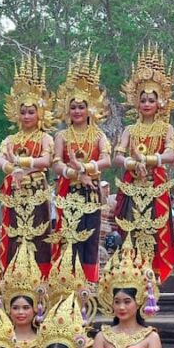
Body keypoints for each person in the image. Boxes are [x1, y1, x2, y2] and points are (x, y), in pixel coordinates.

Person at [113, 43, 174, 281]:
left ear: (160, 102)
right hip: (133, 184)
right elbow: (117, 157)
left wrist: (148, 160)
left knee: (156, 226)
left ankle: (158, 270)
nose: (147, 103)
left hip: (155, 184)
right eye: (143, 99)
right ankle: (133, 268)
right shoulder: (130, 129)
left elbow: (171, 155)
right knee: (132, 225)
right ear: (136, 102)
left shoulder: (166, 129)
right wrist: (132, 164)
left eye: (152, 99)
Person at [51, 49, 112, 283]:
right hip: (70, 191)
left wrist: (85, 167)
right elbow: (56, 162)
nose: (77, 111)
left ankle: (89, 281)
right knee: (70, 236)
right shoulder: (62, 136)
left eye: (81, 107)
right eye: (73, 107)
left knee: (91, 236)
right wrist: (71, 171)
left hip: (91, 192)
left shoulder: (98, 135)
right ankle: (68, 279)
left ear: (90, 109)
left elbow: (106, 160)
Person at [0, 55, 54, 275]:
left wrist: (20, 162)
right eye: (23, 112)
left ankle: (40, 275)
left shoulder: (45, 138)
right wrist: (12, 170)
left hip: (36, 190)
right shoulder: (10, 140)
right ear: (16, 114)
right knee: (13, 233)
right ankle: (13, 274)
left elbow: (46, 161)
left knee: (39, 233)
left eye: (31, 112)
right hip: (14, 191)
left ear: (39, 113)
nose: (27, 116)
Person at [1, 241, 46, 348]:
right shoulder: (1, 338)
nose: (21, 312)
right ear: (8, 309)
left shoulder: (44, 338)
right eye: (16, 308)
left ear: (35, 309)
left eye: (26, 307)